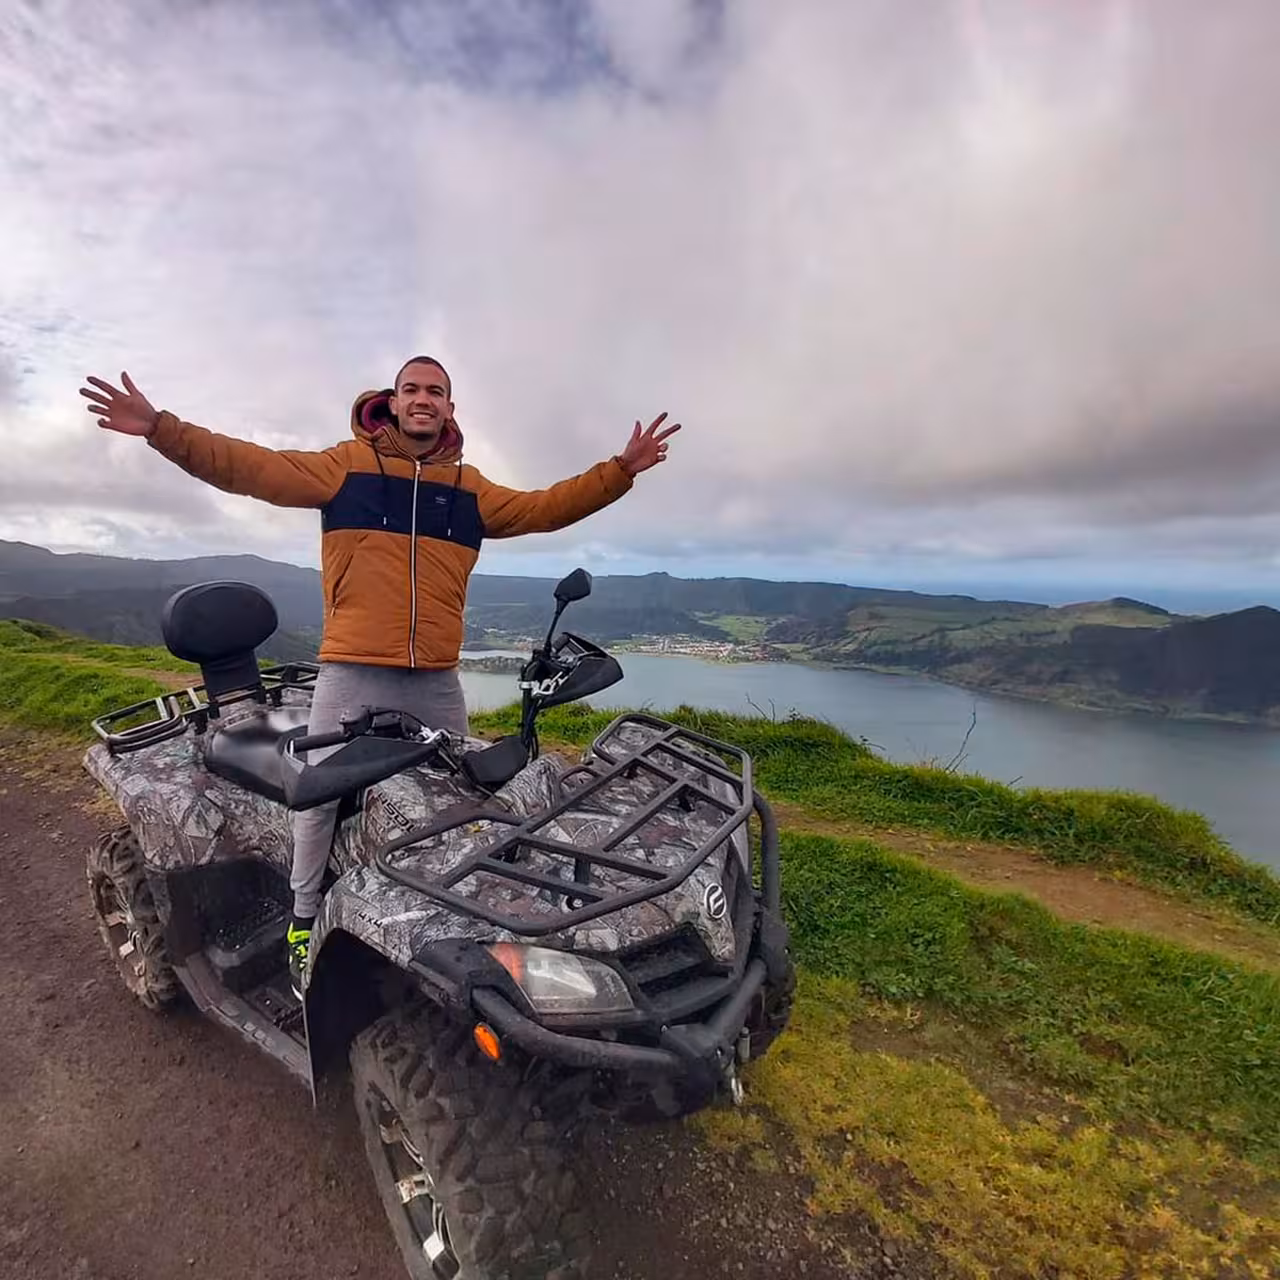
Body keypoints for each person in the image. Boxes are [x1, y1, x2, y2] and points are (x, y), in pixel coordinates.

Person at [80, 357, 679, 990]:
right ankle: (305, 920)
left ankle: (451, 918)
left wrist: (620, 471)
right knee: (318, 795)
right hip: (354, 667)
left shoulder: (469, 489)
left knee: (464, 797)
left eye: (436, 392)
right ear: (392, 402)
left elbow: (546, 507)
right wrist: (160, 429)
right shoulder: (346, 466)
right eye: (412, 389)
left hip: (436, 678)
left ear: (450, 409)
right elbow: (250, 466)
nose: (423, 400)